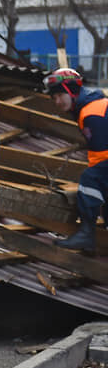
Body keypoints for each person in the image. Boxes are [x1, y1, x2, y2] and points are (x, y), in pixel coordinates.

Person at [42, 67, 107, 252]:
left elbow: (101, 156)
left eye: (60, 95)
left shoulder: (91, 112)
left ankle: (87, 234)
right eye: (54, 98)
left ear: (72, 91)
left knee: (91, 179)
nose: (57, 101)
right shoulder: (90, 106)